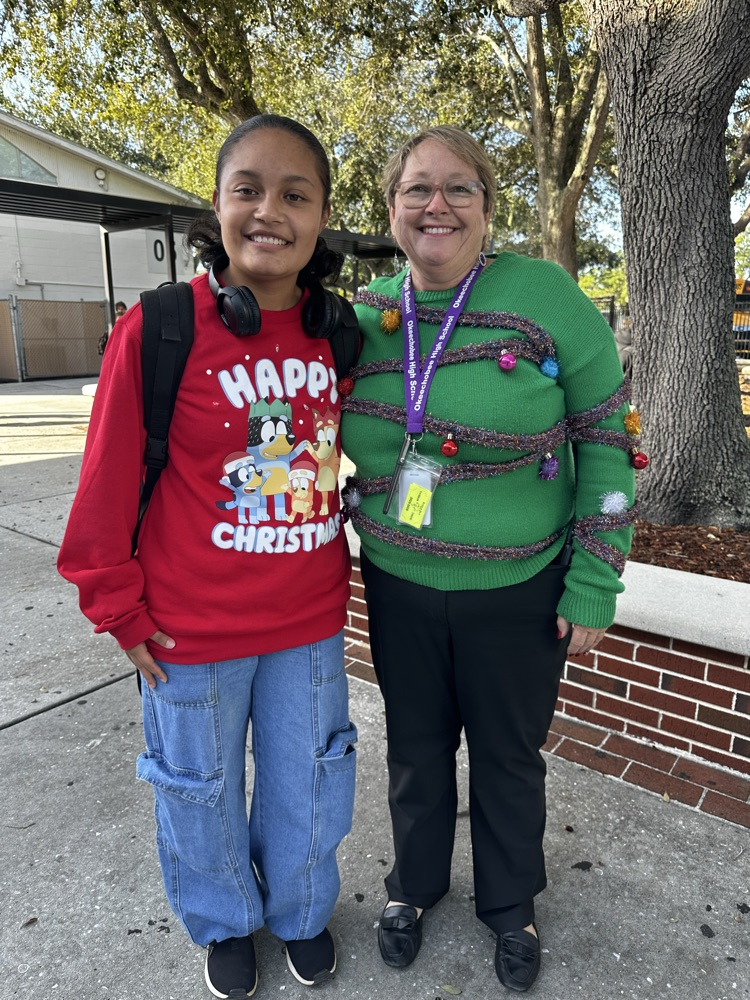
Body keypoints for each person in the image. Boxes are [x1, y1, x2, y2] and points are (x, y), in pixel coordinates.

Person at [58, 115, 359, 999]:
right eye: (248, 190)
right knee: (199, 791)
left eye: (295, 195)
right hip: (189, 629)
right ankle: (225, 920)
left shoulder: (338, 336)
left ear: (321, 216)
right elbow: (107, 485)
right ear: (217, 209)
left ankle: (302, 911)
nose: (270, 211)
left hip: (306, 624)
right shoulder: (158, 328)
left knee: (313, 786)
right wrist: (118, 610)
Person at [339, 126, 639, 993]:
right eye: (417, 189)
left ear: (487, 206)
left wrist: (594, 579)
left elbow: (610, 446)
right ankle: (414, 887)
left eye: (459, 187)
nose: (437, 205)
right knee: (416, 747)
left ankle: (511, 905)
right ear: (391, 208)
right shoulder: (369, 314)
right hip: (396, 581)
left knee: (508, 757)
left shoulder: (544, 295)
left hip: (519, 588)